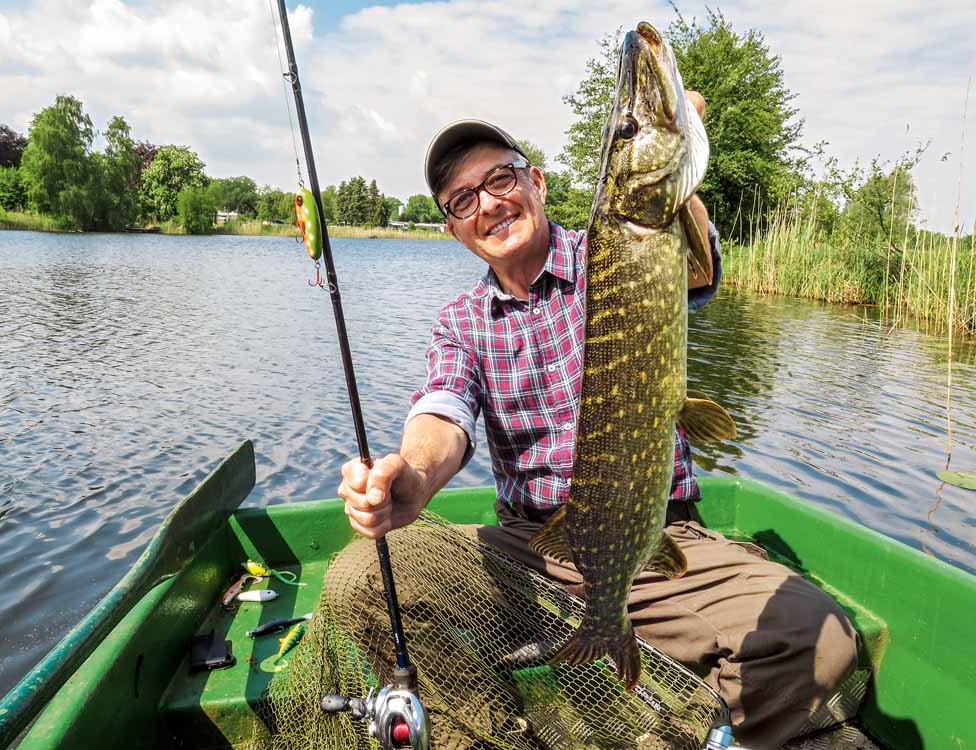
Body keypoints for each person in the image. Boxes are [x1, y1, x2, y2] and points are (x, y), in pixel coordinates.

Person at [338, 96, 860, 747]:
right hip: (532, 551)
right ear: (454, 229)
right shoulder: (462, 321)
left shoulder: (619, 251)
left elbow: (697, 267)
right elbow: (442, 410)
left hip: (657, 541)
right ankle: (491, 732)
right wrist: (412, 474)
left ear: (537, 182)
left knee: (821, 635)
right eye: (462, 200)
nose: (490, 204)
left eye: (500, 178)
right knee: (361, 576)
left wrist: (678, 160)